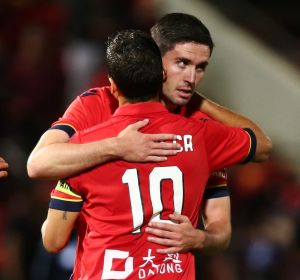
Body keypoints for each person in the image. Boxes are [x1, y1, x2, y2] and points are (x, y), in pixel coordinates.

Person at [29, 13, 272, 256]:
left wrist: (200, 237)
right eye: (182, 63)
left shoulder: (199, 127)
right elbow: (38, 163)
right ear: (155, 60)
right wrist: (118, 146)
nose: (190, 78)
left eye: (200, 68)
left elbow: (222, 231)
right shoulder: (99, 104)